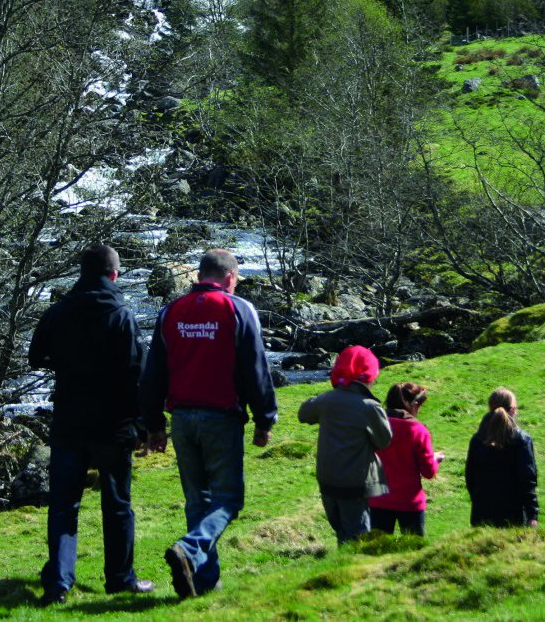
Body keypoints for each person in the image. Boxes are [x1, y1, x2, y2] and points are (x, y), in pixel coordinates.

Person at [140, 249, 277, 599]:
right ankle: (191, 547)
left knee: (196, 500)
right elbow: (256, 368)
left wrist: (154, 423)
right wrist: (265, 418)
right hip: (222, 416)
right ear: (230, 277)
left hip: (182, 418)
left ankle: (202, 581)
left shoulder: (170, 311)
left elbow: (154, 372)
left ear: (199, 275)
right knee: (228, 500)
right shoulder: (238, 309)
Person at [28, 243, 154, 606]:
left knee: (64, 504)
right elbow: (137, 374)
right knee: (117, 504)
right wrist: (144, 425)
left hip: (70, 420)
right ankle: (119, 578)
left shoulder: (59, 312)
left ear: (81, 273)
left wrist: (66, 362)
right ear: (114, 275)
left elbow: (36, 357)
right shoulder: (121, 316)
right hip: (113, 424)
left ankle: (60, 582)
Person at [297, 346, 393, 543]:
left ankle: (342, 568)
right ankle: (354, 571)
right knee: (357, 536)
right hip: (355, 482)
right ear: (368, 376)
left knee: (342, 532)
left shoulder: (326, 401)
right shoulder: (369, 407)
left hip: (328, 480)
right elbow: (384, 442)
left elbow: (303, 413)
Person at [368, 382, 443, 536]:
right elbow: (429, 472)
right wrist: (435, 459)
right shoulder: (417, 430)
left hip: (377, 499)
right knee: (414, 552)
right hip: (409, 502)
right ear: (414, 405)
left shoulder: (373, 426)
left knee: (374, 553)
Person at [464, 388, 538, 528]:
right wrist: (532, 514)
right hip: (514, 513)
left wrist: (478, 500)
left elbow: (470, 477)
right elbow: (527, 479)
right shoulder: (521, 440)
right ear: (513, 410)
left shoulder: (477, 440)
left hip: (482, 512)